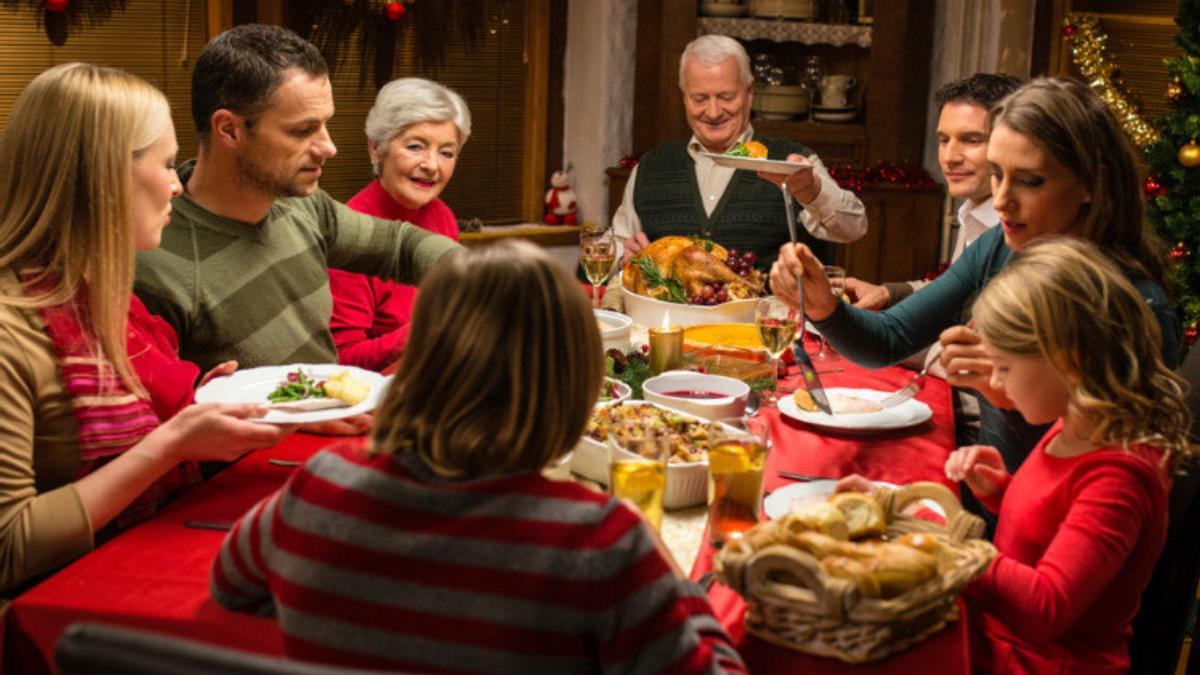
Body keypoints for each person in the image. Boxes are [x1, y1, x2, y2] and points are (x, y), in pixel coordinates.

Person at [211, 241, 747, 673]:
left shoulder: (323, 484)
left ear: (420, 360)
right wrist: (672, 577)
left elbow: (231, 586)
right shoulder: (599, 543)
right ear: (573, 384)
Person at [770, 77, 1179, 485]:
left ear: (1092, 182)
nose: (1001, 200)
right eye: (998, 174)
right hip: (996, 498)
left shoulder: (1136, 307)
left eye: (1030, 180)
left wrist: (999, 389)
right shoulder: (998, 248)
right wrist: (825, 307)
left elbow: (1113, 490)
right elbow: (888, 339)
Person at [0, 63, 288, 593]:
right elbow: (8, 549)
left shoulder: (101, 294)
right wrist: (172, 444)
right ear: (105, 177)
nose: (178, 185)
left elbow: (165, 421)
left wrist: (221, 410)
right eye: (169, 164)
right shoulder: (10, 331)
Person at [134, 24, 461, 377]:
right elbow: (157, 414)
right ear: (229, 129)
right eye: (303, 131)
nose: (328, 147)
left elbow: (401, 245)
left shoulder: (300, 205)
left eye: (325, 125)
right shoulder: (157, 263)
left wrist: (481, 279)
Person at [946, 238, 1189, 673]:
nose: (996, 385)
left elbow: (1047, 607)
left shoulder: (1118, 477)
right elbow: (1060, 525)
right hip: (1006, 644)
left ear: (1069, 361)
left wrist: (949, 552)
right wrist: (1004, 492)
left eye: (1005, 368)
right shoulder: (1075, 424)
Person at [612, 35, 866, 273]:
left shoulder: (790, 161)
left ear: (749, 93)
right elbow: (610, 250)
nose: (712, 112)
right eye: (700, 98)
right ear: (683, 97)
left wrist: (813, 192)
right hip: (665, 320)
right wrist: (625, 254)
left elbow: (854, 228)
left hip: (765, 319)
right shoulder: (651, 167)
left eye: (726, 97)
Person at [842, 73, 1021, 311]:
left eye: (972, 140)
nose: (950, 158)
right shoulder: (974, 209)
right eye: (944, 140)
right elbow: (954, 290)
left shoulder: (1021, 230)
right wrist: (889, 293)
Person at [329, 78, 470, 371]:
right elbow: (341, 360)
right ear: (376, 149)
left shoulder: (441, 214)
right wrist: (425, 330)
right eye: (416, 146)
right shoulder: (348, 234)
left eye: (447, 152)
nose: (432, 165)